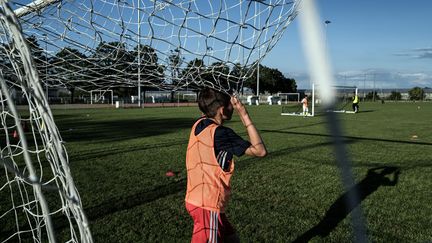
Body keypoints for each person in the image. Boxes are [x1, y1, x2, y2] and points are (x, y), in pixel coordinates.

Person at [185, 87, 267, 243]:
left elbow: (208, 109)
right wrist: (244, 114)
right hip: (207, 205)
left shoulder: (199, 124)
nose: (234, 106)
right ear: (222, 110)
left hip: (196, 199)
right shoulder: (221, 134)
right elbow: (260, 150)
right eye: (231, 104)